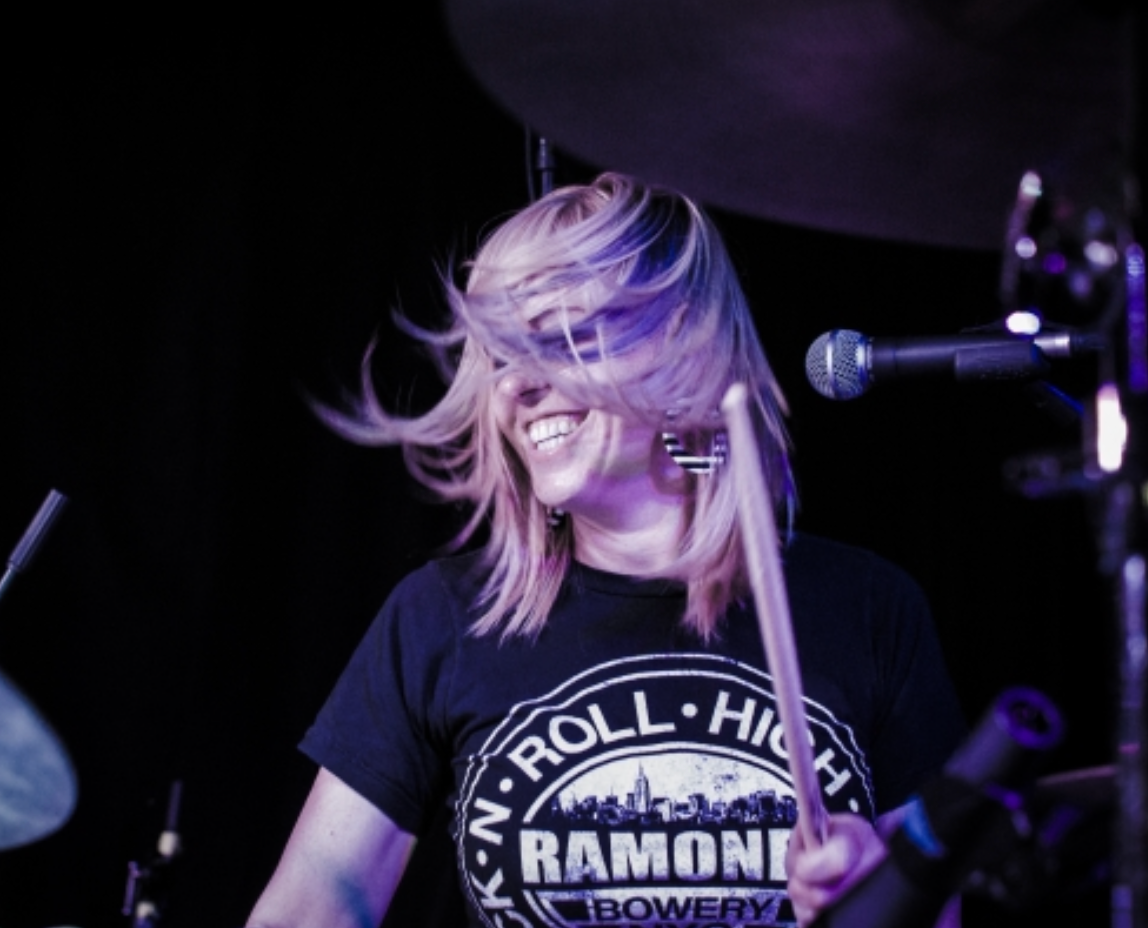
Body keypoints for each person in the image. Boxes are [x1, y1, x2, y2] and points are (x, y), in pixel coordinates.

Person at [247, 173, 966, 928]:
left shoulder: (867, 609)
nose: (517, 384)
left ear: (681, 340)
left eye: (556, 335)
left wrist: (884, 900)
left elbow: (941, 914)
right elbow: (318, 899)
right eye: (500, 355)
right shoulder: (442, 618)